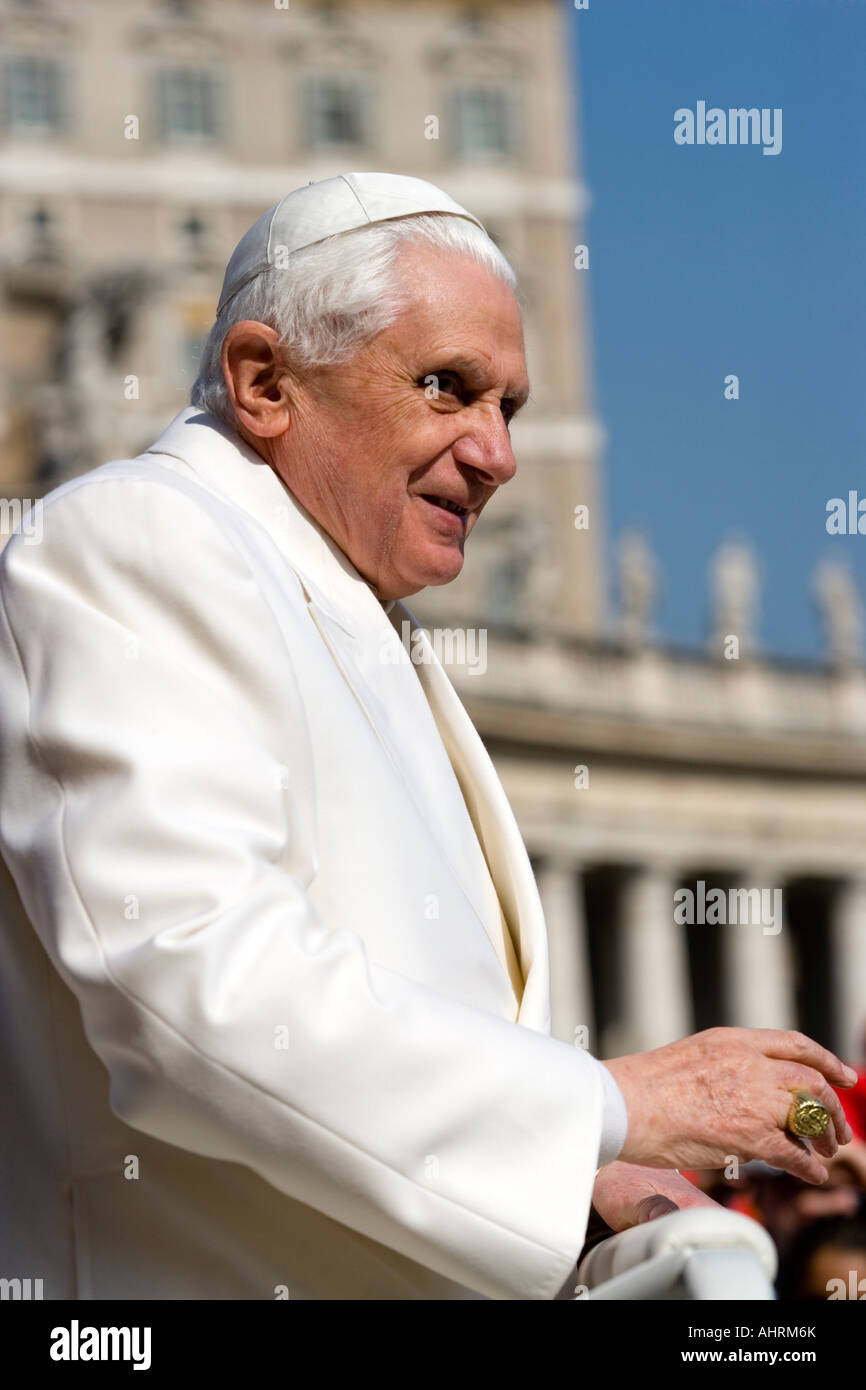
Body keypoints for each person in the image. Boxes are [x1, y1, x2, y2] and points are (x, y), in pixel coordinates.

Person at [0, 173, 855, 1300]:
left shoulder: (355, 607)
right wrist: (610, 1102)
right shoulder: (135, 538)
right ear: (264, 383)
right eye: (446, 389)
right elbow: (185, 985)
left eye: (508, 407)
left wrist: (579, 1174)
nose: (495, 453)